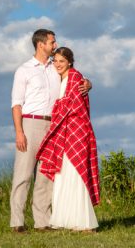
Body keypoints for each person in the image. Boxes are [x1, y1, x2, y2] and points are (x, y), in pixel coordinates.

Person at [9, 29, 91, 233]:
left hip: (54, 126)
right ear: (41, 44)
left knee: (46, 174)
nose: (55, 45)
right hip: (30, 124)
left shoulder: (56, 69)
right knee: (23, 174)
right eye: (52, 42)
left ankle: (42, 222)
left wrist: (88, 84)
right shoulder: (24, 70)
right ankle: (17, 222)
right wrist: (19, 132)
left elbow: (75, 78)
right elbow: (16, 104)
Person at [36, 47, 99, 231]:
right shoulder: (61, 77)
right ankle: (66, 220)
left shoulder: (75, 77)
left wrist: (87, 84)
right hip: (64, 131)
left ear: (69, 62)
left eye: (61, 61)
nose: (57, 64)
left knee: (76, 173)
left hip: (76, 131)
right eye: (55, 61)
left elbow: (76, 105)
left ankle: (84, 223)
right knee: (63, 174)